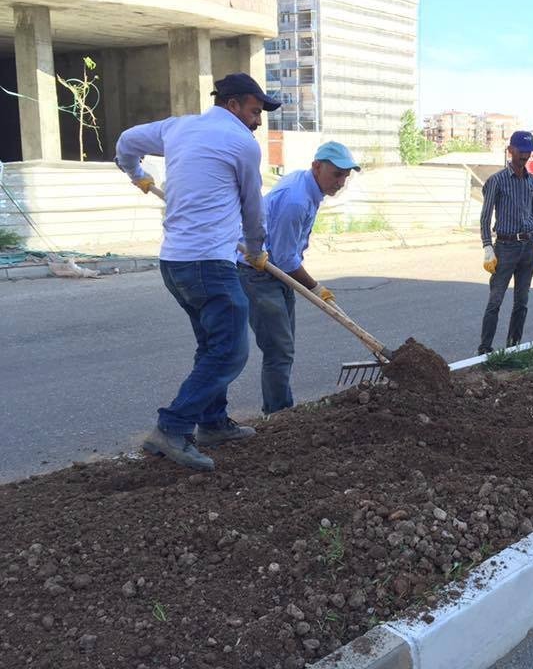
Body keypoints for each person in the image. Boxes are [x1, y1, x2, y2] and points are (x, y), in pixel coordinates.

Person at [115, 72, 281, 471]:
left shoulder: (178, 127)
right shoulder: (242, 143)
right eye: (256, 111)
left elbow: (125, 143)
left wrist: (135, 172)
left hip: (174, 264)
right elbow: (252, 207)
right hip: (209, 264)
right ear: (234, 105)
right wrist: (257, 250)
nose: (259, 121)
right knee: (229, 352)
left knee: (212, 344)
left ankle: (212, 421)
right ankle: (172, 428)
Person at [238, 141, 360, 414]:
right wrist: (317, 288)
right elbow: (284, 258)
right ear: (316, 167)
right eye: (336, 174)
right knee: (279, 349)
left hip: (275, 271)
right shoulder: (297, 200)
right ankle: (280, 415)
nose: (341, 182)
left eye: (345, 176)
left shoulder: (307, 186)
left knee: (284, 346)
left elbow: (287, 255)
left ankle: (280, 410)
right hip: (258, 271)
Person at [477, 130, 533, 355]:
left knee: (522, 303)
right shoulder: (496, 181)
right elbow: (485, 216)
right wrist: (488, 246)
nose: (525, 156)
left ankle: (513, 347)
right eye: (521, 151)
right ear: (510, 151)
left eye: (528, 152)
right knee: (495, 301)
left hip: (527, 247)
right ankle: (485, 349)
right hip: (505, 248)